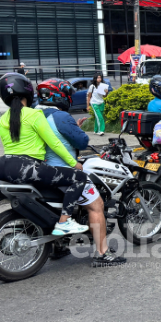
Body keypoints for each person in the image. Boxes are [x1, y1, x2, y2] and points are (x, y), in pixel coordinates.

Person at [35, 79, 124, 266]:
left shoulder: (34, 113)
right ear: (60, 96)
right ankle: (102, 254)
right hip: (64, 171)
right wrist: (77, 129)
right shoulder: (60, 116)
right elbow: (82, 142)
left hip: (39, 171)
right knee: (96, 205)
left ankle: (58, 246)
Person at [0, 75, 92, 241]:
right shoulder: (35, 114)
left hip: (5, 165)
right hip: (28, 168)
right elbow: (54, 143)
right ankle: (64, 221)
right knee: (80, 178)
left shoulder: (3, 118)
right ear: (27, 92)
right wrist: (74, 163)